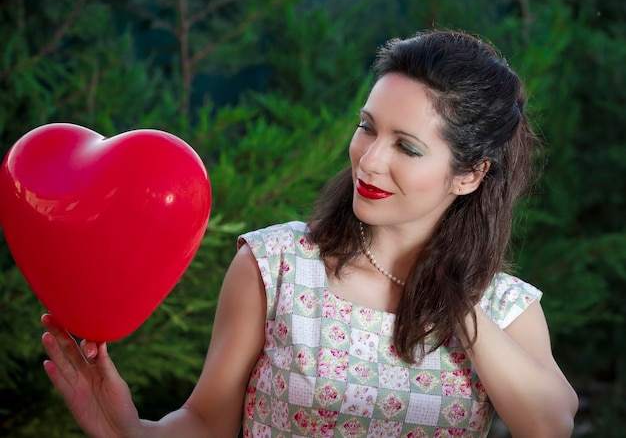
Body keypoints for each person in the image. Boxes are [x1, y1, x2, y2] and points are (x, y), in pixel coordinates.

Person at [41, 29, 578, 437]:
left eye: (406, 147)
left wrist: (451, 291)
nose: (368, 160)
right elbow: (207, 422)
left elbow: (551, 424)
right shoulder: (275, 263)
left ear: (470, 174)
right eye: (367, 126)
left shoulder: (506, 308)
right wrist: (130, 430)